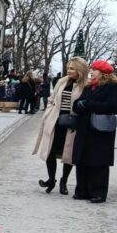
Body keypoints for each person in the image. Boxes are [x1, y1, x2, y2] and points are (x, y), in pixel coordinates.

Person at [33, 58, 87, 195]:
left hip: (72, 123)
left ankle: (64, 181)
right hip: (55, 120)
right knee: (50, 150)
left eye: (73, 68)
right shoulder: (62, 81)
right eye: (68, 68)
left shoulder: (85, 85)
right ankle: (51, 179)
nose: (69, 71)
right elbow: (52, 99)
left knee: (67, 153)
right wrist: (49, 111)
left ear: (80, 70)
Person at [72, 61, 117, 204]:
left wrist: (88, 104)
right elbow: (78, 104)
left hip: (100, 129)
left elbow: (112, 106)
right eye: (92, 69)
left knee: (98, 161)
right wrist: (79, 105)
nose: (92, 72)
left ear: (103, 73)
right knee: (82, 159)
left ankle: (98, 192)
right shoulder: (89, 86)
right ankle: (82, 190)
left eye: (95, 70)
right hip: (85, 127)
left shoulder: (112, 87)